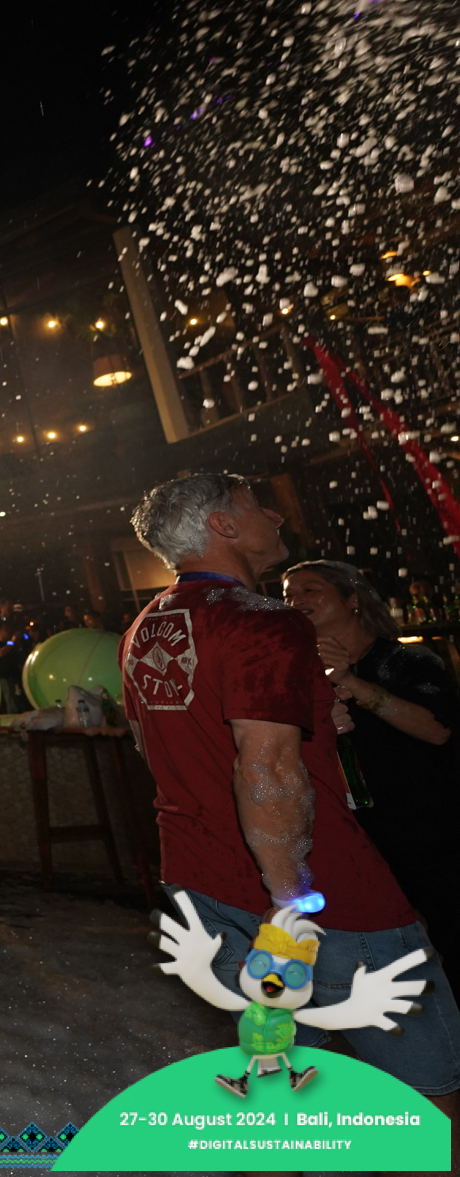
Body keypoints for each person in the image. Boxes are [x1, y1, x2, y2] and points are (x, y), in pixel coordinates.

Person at [122, 474, 460, 1118]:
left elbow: (167, 745)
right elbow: (267, 770)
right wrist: (290, 905)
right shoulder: (263, 621)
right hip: (315, 892)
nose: (276, 515)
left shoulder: (146, 625)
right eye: (256, 506)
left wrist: (316, 722)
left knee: (281, 1089)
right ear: (223, 527)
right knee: (426, 1102)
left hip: (201, 879)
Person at [283, 559, 460, 968]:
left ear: (352, 599)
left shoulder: (406, 661)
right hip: (360, 834)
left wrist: (349, 681)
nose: (296, 601)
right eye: (288, 595)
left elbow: (438, 730)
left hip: (430, 829)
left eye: (310, 590)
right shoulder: (300, 674)